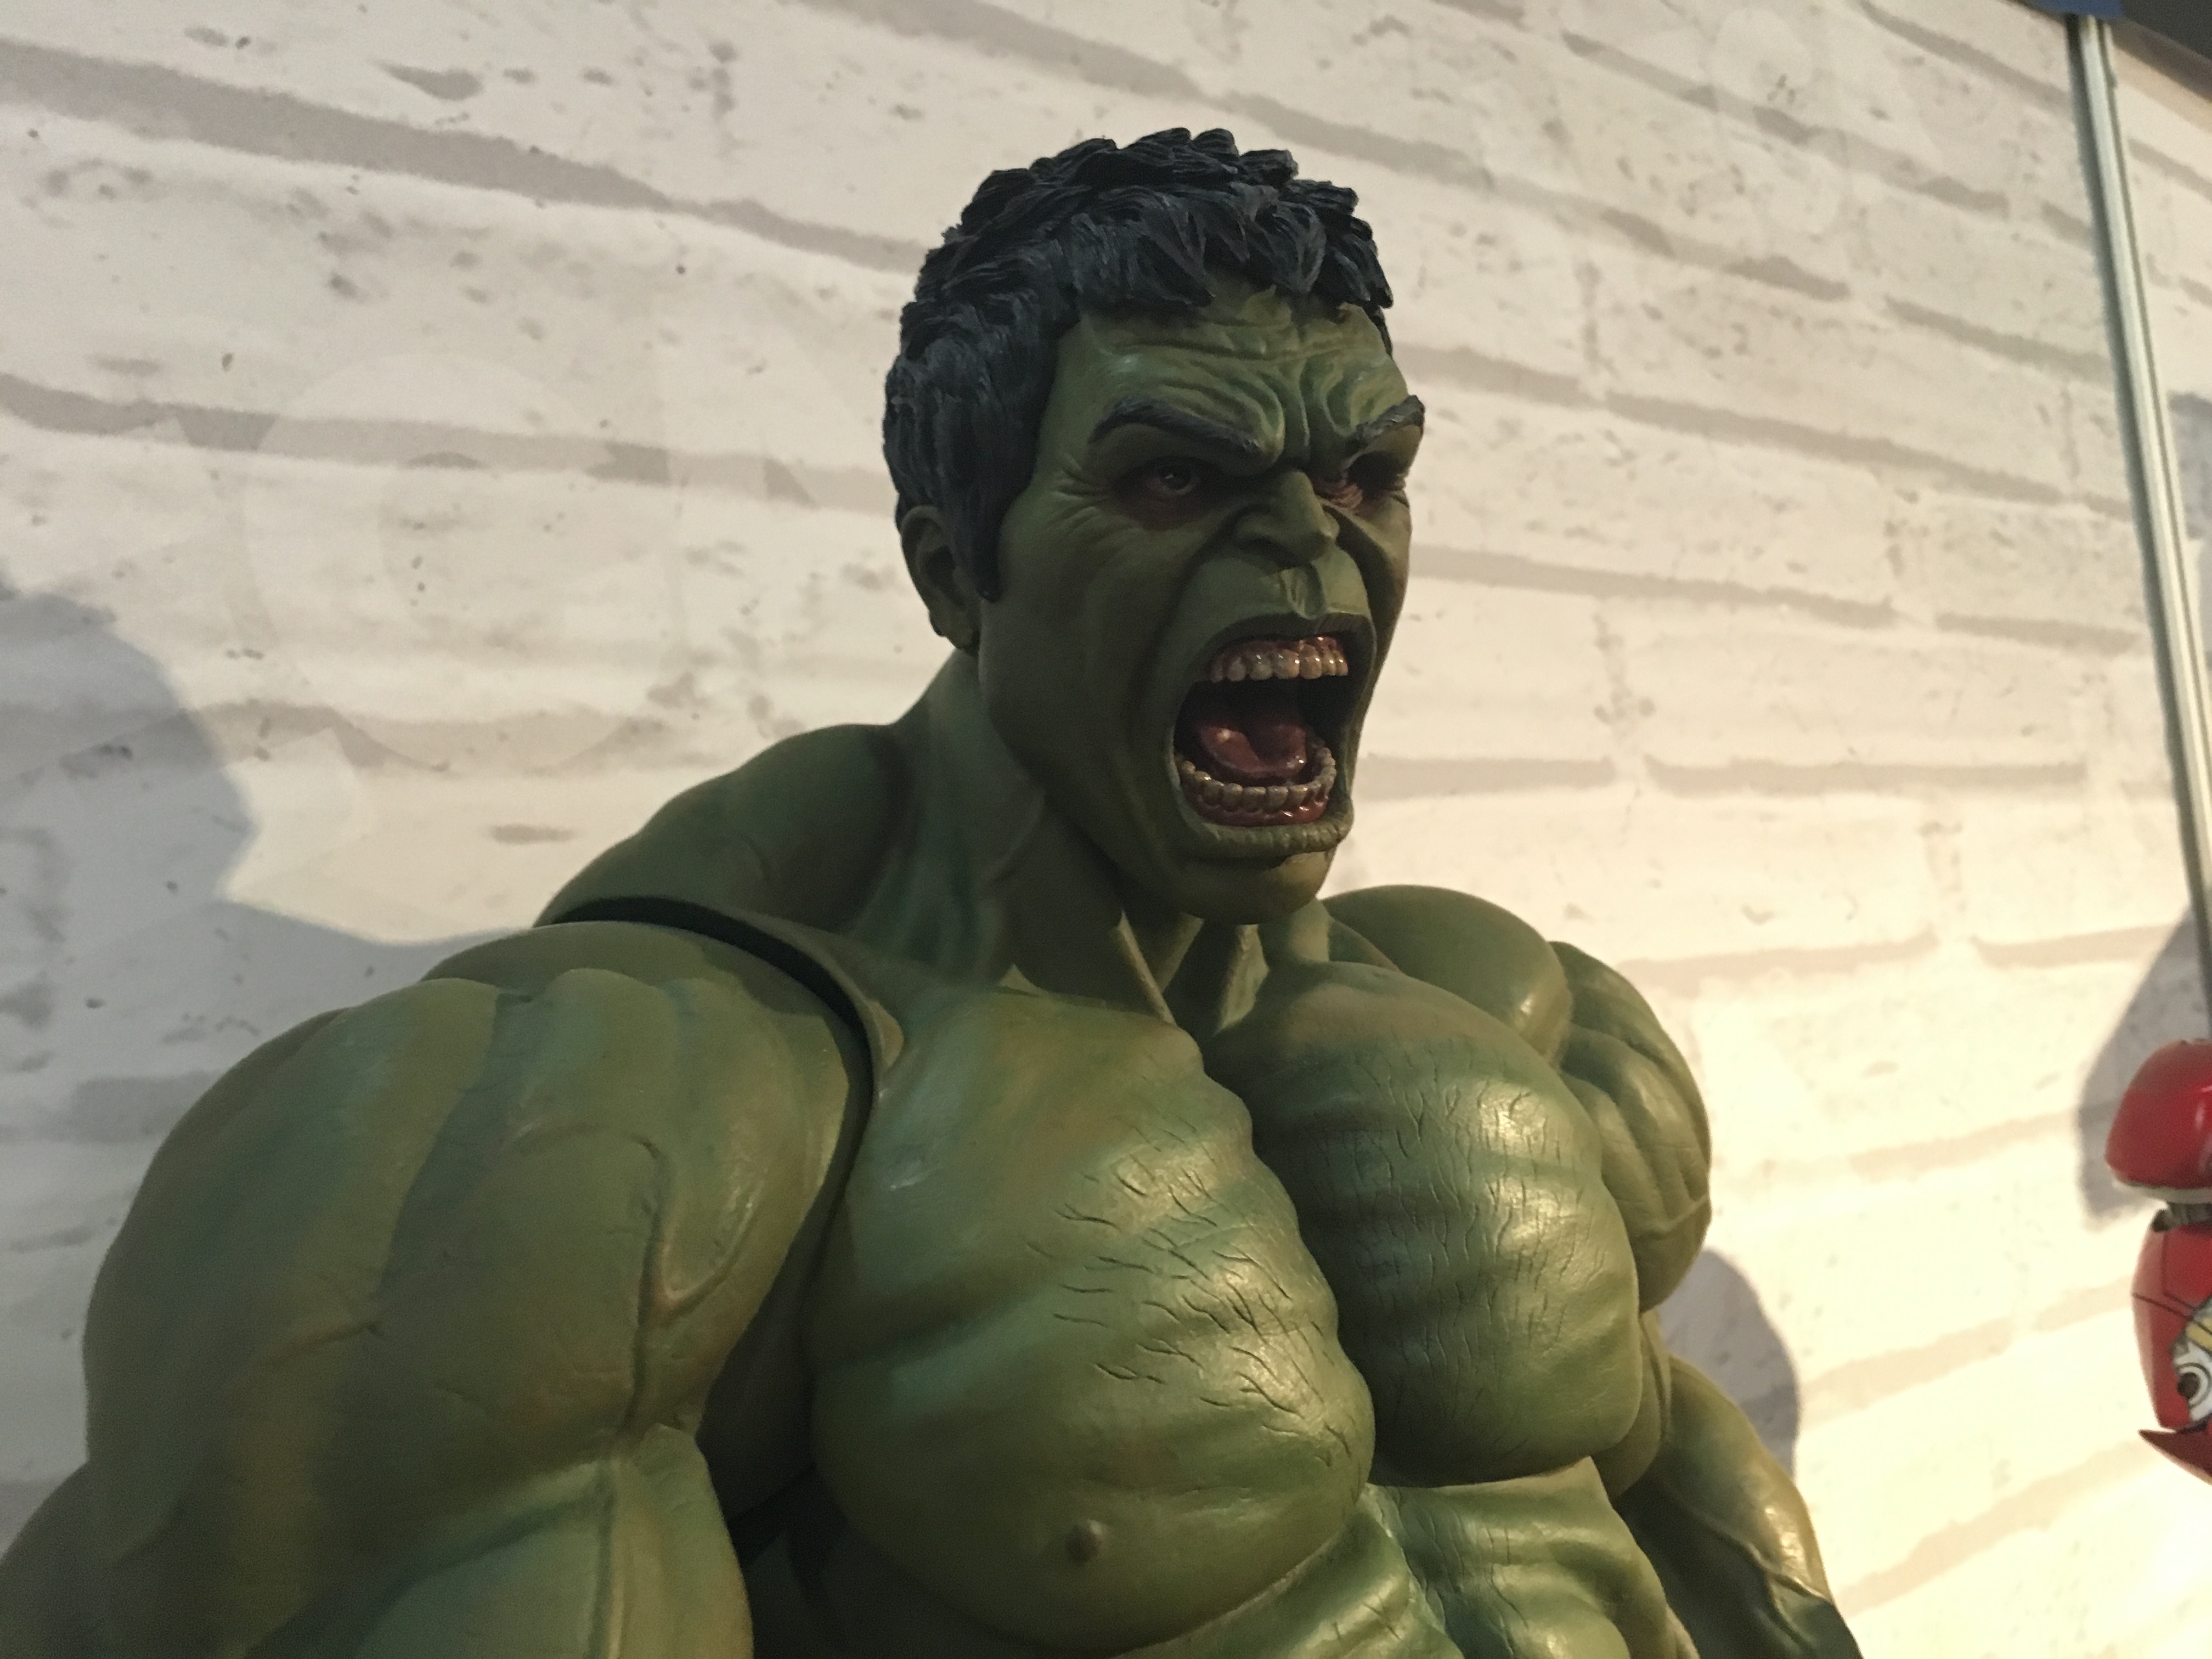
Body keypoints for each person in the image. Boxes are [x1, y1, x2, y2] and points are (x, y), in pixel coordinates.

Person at [0, 128, 1859, 1658]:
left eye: (1367, 471)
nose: (1310, 542)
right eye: (1175, 478)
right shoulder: (627, 1113)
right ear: (953, 566)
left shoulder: (1507, 1014)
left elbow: (1649, 1482)